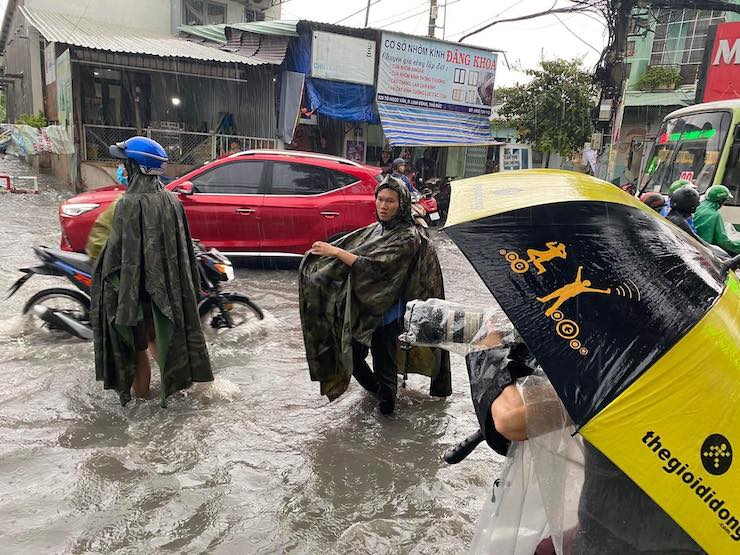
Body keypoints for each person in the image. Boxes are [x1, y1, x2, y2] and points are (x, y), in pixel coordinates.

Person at [298, 175, 451, 414]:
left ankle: (387, 414)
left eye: (390, 201)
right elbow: (355, 248)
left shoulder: (408, 236)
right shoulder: (377, 229)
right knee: (354, 357)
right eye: (380, 199)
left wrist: (335, 252)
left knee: (384, 365)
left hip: (389, 313)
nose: (383, 205)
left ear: (402, 203)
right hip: (365, 309)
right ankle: (377, 393)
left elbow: (374, 267)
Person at [90, 137, 213, 406]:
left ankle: (141, 406)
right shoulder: (171, 201)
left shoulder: (128, 205)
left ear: (137, 167)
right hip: (166, 291)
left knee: (136, 351)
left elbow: (118, 258)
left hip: (136, 294)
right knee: (160, 338)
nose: (122, 168)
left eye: (125, 164)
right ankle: (175, 386)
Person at [694, 185, 740, 256]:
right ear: (721, 200)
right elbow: (722, 241)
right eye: (725, 200)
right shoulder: (713, 214)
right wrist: (737, 245)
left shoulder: (699, 207)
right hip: (704, 251)